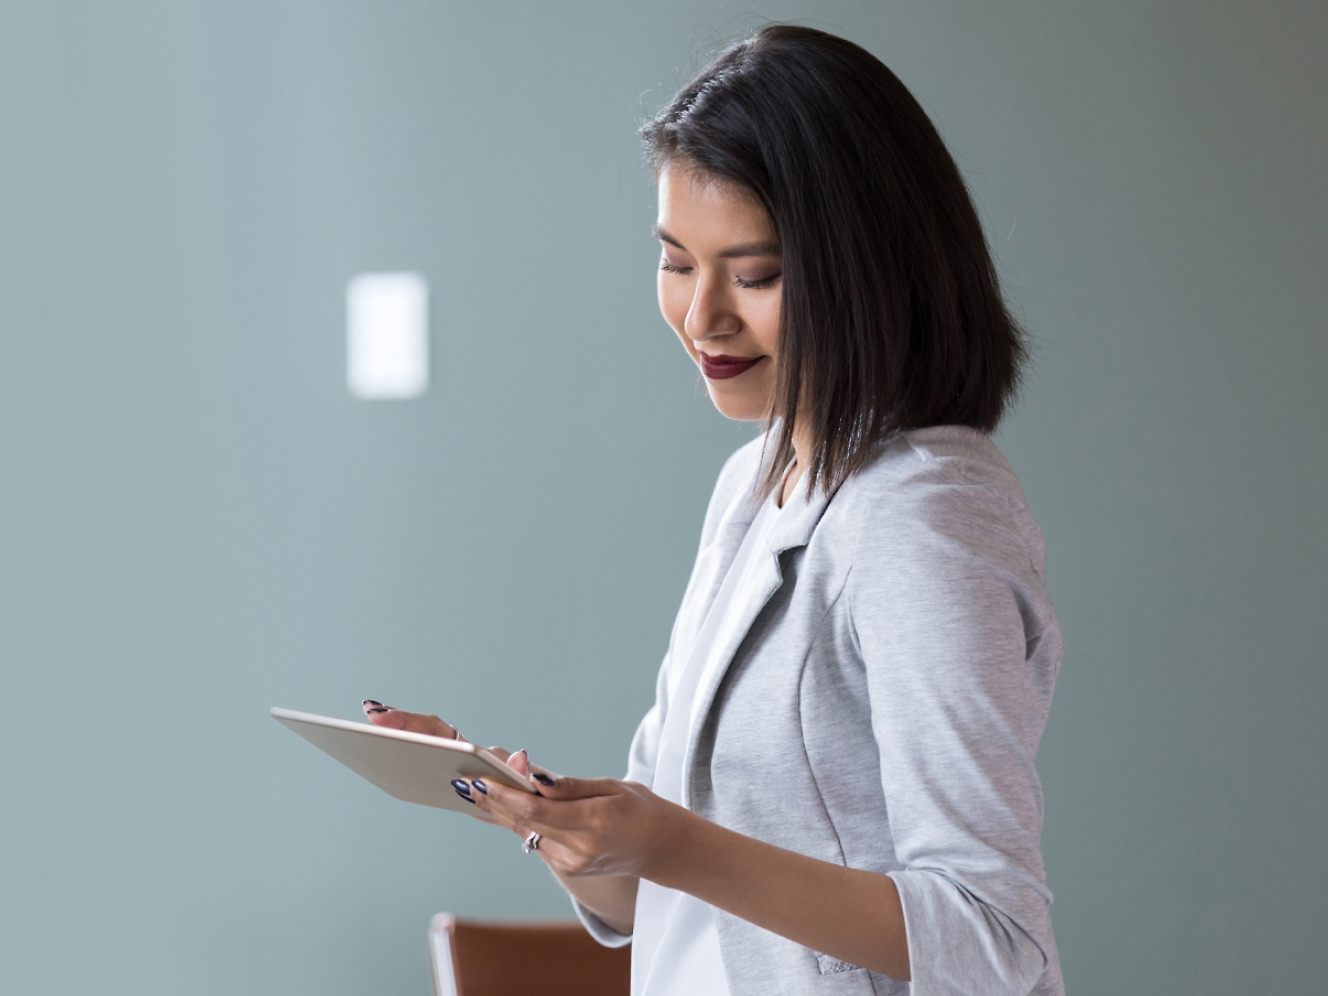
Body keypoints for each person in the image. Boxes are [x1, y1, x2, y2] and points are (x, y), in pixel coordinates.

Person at [365, 24, 1063, 996]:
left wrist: (670, 844)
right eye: (676, 261)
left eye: (755, 274)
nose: (702, 319)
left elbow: (992, 939)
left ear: (868, 264)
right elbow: (658, 897)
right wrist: (558, 826)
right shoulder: (751, 485)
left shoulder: (921, 522)